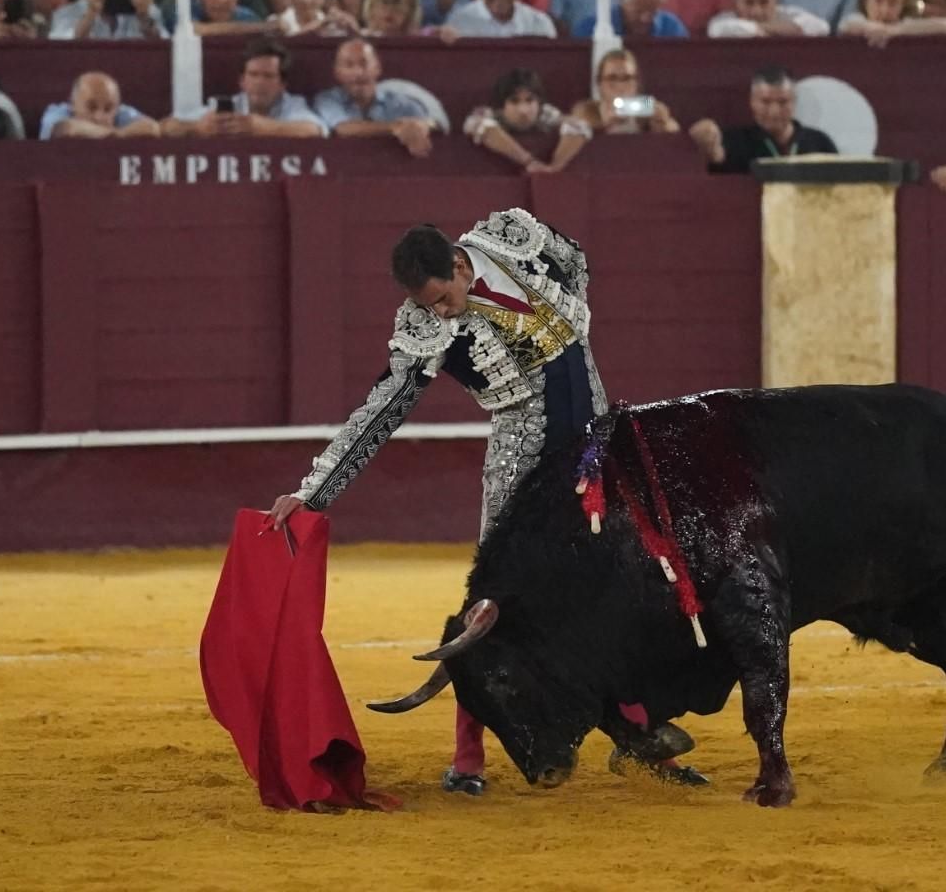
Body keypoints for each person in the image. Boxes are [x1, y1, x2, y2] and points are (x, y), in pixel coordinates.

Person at [263, 210, 707, 795]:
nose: (441, 312)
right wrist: (313, 490)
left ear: (458, 263)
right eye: (429, 305)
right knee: (494, 606)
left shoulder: (511, 237)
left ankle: (642, 737)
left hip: (595, 451)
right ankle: (467, 756)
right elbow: (381, 412)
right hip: (522, 464)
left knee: (615, 586)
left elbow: (575, 259)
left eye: (444, 296)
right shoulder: (423, 329)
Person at [164, 37, 330, 137]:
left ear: (282, 84)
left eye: (268, 76)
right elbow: (166, 127)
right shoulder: (228, 105)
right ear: (242, 81)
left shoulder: (293, 104)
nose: (259, 82)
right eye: (253, 75)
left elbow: (315, 130)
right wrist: (196, 127)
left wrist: (263, 128)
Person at [546, 48, 679, 172]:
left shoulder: (647, 108)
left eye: (626, 78)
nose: (620, 86)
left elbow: (675, 134)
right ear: (600, 84)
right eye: (612, 78)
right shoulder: (586, 109)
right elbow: (574, 131)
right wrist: (602, 125)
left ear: (637, 83)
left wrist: (663, 123)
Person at [688, 64, 838, 173]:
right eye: (765, 102)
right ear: (752, 102)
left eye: (783, 102)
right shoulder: (733, 141)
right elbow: (717, 158)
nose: (774, 111)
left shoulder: (820, 143)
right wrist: (709, 144)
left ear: (794, 102)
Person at [312, 37, 436, 155]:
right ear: (337, 73)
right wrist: (395, 127)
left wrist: (422, 126)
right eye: (349, 65)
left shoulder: (399, 102)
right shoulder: (326, 100)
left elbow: (431, 122)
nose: (358, 73)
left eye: (364, 64)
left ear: (378, 68)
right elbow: (344, 129)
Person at [462, 67, 564, 171]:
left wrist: (554, 167)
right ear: (501, 106)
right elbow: (478, 125)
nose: (523, 110)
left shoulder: (546, 113)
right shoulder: (487, 114)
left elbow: (576, 126)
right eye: (514, 101)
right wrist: (528, 161)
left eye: (529, 100)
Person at [40, 70, 162, 138]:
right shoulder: (56, 112)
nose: (99, 117)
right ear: (72, 104)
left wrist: (117, 135)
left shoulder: (120, 112)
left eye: (108, 109)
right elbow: (66, 129)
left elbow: (153, 128)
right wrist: (114, 135)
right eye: (91, 107)